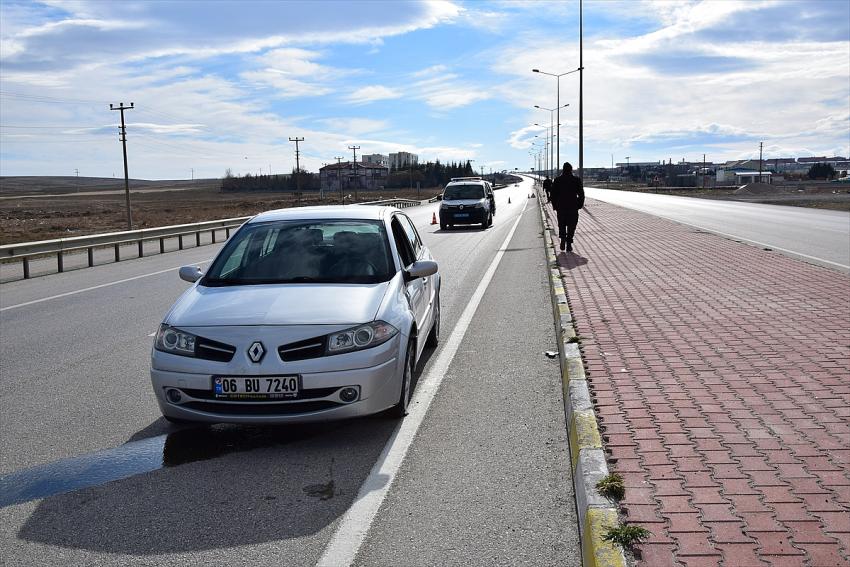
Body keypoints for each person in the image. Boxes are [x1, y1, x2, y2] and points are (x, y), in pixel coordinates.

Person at [550, 162, 584, 252]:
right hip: (573, 206)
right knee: (572, 225)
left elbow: (553, 194)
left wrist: (555, 206)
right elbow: (581, 194)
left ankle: (562, 239)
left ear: (563, 169)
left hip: (561, 206)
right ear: (571, 170)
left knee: (562, 224)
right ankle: (568, 244)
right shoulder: (576, 180)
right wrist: (580, 204)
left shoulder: (557, 180)